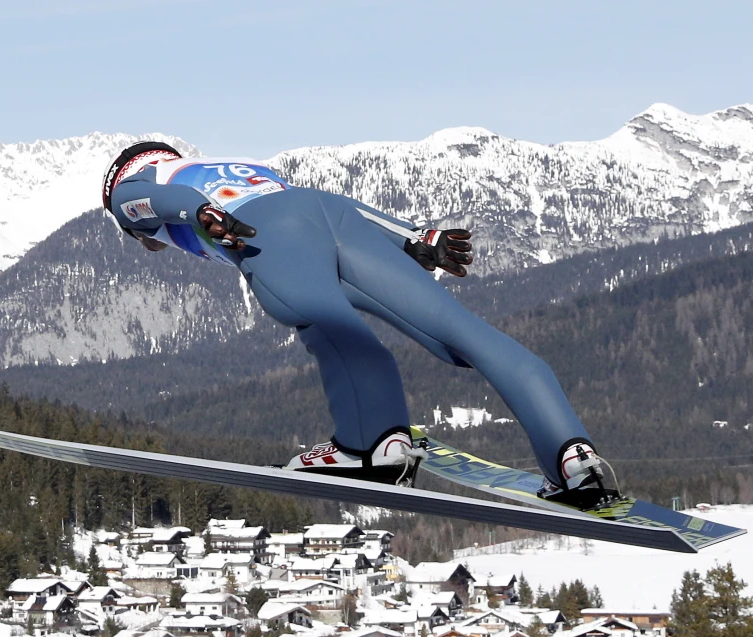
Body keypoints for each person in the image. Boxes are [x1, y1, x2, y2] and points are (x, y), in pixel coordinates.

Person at [102, 141, 616, 508]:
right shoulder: (231, 163)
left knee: (329, 326)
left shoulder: (141, 181)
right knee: (463, 332)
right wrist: (415, 238)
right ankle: (572, 457)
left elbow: (139, 204)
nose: (145, 242)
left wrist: (195, 212)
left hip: (266, 234)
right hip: (325, 214)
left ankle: (372, 445)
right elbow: (331, 206)